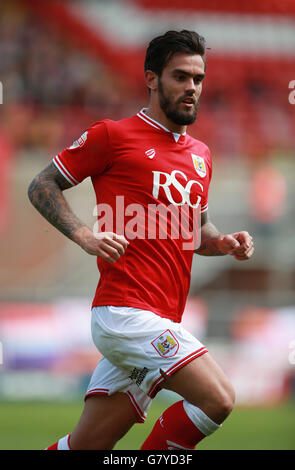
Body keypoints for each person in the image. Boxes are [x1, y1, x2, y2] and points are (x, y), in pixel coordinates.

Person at [28, 30, 254, 450]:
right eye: (180, 76)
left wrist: (223, 243)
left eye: (198, 79)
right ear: (151, 79)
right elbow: (42, 185)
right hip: (126, 313)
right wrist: (83, 235)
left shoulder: (201, 155)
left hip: (163, 318)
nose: (191, 88)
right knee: (218, 399)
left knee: (86, 446)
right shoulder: (113, 136)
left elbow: (195, 233)